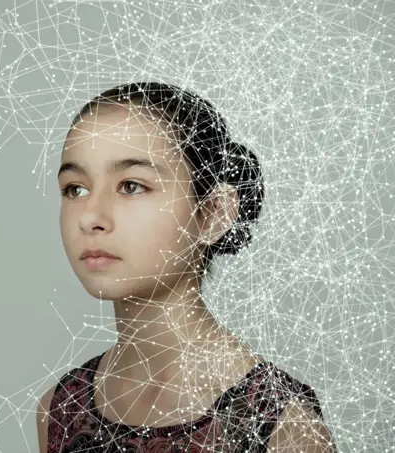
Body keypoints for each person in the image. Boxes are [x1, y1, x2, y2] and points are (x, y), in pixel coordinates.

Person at [36, 82, 336, 452]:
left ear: (214, 213)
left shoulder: (281, 424)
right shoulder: (60, 409)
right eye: (75, 189)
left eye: (131, 186)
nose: (91, 217)